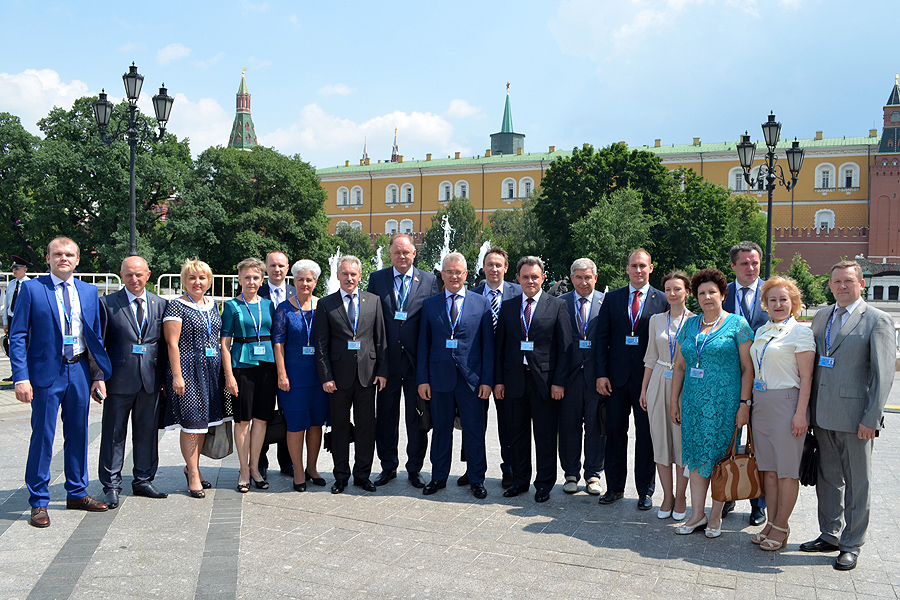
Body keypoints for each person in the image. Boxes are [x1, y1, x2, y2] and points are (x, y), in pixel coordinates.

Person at [799, 261, 895, 571]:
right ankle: (830, 534)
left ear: (861, 284)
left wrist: (872, 418)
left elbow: (883, 375)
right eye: (836, 281)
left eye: (848, 281)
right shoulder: (822, 316)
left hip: (856, 419)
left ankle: (851, 544)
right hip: (822, 415)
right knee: (828, 480)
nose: (842, 286)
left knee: (857, 483)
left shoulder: (877, 320)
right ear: (830, 285)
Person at [10, 237, 113, 528]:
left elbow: (94, 336)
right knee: (43, 436)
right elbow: (17, 336)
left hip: (78, 370)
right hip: (45, 373)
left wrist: (97, 376)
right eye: (57, 254)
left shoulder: (89, 291)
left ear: (77, 260)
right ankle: (38, 500)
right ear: (48, 259)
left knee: (79, 433)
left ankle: (77, 492)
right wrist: (21, 378)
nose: (63, 258)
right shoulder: (32, 289)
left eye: (69, 254)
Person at [670, 268, 753, 538]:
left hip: (724, 406)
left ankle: (716, 515)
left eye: (712, 292)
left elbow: (748, 369)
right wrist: (674, 401)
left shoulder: (738, 325)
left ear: (722, 294)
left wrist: (744, 404)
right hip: (693, 404)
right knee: (695, 458)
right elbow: (679, 366)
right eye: (702, 293)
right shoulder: (689, 325)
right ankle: (697, 514)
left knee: (720, 459)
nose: (707, 297)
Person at [417, 252, 494, 499]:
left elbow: (487, 346)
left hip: (471, 380)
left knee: (474, 430)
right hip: (439, 378)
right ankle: (438, 477)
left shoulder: (481, 303)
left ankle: (476, 478)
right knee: (441, 430)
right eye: (449, 272)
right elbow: (423, 345)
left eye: (458, 272)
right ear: (442, 274)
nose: (454, 276)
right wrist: (422, 380)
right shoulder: (430, 304)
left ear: (466, 274)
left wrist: (487, 380)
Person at [494, 256, 571, 503]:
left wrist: (559, 382)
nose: (530, 281)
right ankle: (519, 481)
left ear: (543, 278)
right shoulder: (508, 306)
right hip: (514, 380)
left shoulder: (557, 306)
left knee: (545, 436)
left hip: (545, 384)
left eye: (535, 277)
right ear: (518, 279)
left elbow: (565, 347)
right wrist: (499, 381)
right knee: (517, 434)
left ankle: (544, 484)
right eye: (525, 277)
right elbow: (500, 347)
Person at [595, 249, 667, 509]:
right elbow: (601, 338)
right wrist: (601, 374)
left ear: (651, 268)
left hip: (648, 380)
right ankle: (614, 487)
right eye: (634, 265)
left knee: (646, 435)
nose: (638, 270)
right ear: (627, 269)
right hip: (615, 380)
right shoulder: (612, 298)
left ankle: (645, 491)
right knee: (615, 433)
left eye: (642, 265)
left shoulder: (662, 300)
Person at [367, 233, 439, 489]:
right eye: (397, 252)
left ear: (414, 253)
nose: (401, 256)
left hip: (415, 363)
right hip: (386, 363)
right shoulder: (377, 279)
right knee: (386, 417)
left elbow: (433, 323)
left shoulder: (429, 280)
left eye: (406, 252)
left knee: (417, 418)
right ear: (390, 254)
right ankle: (388, 466)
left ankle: (415, 468)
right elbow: (370, 320)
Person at [748, 276, 814, 551]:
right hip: (761, 405)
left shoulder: (800, 333)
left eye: (783, 299)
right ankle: (771, 523)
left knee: (786, 472)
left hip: (787, 404)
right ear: (765, 303)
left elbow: (807, 378)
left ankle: (782, 526)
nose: (778, 304)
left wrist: (800, 414)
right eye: (772, 299)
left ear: (793, 302)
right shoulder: (762, 330)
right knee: (769, 471)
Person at [97, 256, 169, 509]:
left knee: (147, 432)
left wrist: (165, 379)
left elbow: (164, 345)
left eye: (139, 274)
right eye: (128, 274)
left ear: (148, 275)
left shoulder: (160, 304)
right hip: (118, 380)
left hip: (150, 380)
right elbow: (99, 344)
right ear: (121, 275)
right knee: (113, 434)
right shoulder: (107, 304)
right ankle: (111, 485)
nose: (134, 279)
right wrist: (98, 377)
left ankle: (143, 480)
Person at [315, 255, 388, 494]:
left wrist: (382, 371)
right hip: (338, 378)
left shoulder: (373, 301)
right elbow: (321, 344)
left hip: (367, 375)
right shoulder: (326, 304)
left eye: (353, 274)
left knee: (366, 427)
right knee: (340, 427)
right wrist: (326, 376)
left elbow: (380, 339)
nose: (349, 278)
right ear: (337, 275)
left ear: (360, 276)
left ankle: (362, 475)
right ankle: (341, 476)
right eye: (345, 274)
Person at [163, 259, 229, 499]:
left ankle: (193, 467)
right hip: (188, 370)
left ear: (209, 280)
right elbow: (172, 343)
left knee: (203, 424)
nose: (197, 282)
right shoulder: (176, 306)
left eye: (202, 278)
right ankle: (192, 474)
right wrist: (177, 376)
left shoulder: (212, 304)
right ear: (184, 281)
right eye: (192, 278)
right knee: (191, 424)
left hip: (211, 371)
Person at [272, 259, 330, 492]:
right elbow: (278, 343)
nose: (304, 283)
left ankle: (312, 468)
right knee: (296, 425)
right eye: (300, 279)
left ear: (315, 282)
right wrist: (282, 373)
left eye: (309, 280)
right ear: (293, 281)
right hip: (293, 378)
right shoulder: (284, 309)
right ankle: (297, 470)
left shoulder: (323, 306)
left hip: (318, 377)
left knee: (316, 424)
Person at [639, 271, 693, 520]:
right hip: (659, 379)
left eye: (677, 289)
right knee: (660, 441)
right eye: (668, 289)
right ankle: (667, 496)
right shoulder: (655, 320)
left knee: (681, 443)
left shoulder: (695, 321)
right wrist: (644, 389)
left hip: (685, 383)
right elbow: (650, 357)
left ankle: (681, 496)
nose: (672, 293)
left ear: (687, 292)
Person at [221, 258, 277, 493]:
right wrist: (229, 376)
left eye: (255, 277)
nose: (251, 282)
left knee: (261, 419)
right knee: (243, 420)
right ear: (239, 279)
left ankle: (255, 468)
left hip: (267, 367)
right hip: (242, 366)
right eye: (247, 277)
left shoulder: (269, 305)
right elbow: (225, 344)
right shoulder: (231, 306)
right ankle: (243, 470)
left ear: (262, 280)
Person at [722, 240, 768, 525]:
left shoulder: (772, 292)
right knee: (727, 442)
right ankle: (726, 495)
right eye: (744, 263)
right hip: (728, 379)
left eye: (755, 263)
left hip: (763, 381)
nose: (750, 268)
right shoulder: (721, 293)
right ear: (733, 266)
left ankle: (758, 503)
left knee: (757, 443)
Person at [470, 246, 521, 488]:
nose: (494, 269)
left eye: (498, 265)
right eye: (489, 264)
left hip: (507, 368)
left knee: (507, 422)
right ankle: (472, 467)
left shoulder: (518, 293)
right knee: (473, 420)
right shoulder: (471, 294)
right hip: (477, 368)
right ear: (483, 267)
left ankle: (509, 468)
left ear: (506, 268)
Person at [558, 258, 606, 496]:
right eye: (578, 277)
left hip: (596, 377)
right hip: (569, 377)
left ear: (595, 278)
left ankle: (594, 474)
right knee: (569, 426)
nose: (583, 282)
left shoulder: (606, 303)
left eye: (588, 277)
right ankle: (570, 473)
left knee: (596, 426)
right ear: (572, 278)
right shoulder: (560, 303)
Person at [258, 250, 296, 479]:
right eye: (272, 265)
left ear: (287, 268)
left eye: (281, 265)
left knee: (287, 412)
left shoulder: (295, 292)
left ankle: (287, 461)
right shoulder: (256, 291)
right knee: (262, 412)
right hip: (262, 362)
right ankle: (260, 461)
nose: (277, 269)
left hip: (290, 362)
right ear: (266, 267)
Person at [2, 255, 31, 381]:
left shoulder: (29, 284)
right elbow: (7, 304)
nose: (14, 271)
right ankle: (15, 372)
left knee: (25, 346)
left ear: (25, 270)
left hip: (24, 319)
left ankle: (26, 372)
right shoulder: (11, 284)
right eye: (14, 269)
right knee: (12, 347)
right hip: (12, 318)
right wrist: (5, 322)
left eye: (17, 269)